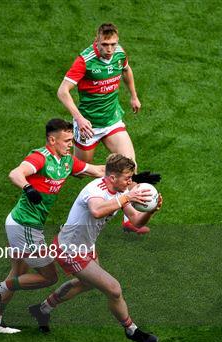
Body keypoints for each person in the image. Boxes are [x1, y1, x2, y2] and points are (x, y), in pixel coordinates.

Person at [0, 118, 105, 334]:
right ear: (52, 139)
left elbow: (97, 170)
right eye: (67, 140)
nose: (71, 144)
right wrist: (29, 188)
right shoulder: (40, 157)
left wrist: (133, 178)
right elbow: (15, 173)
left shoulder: (67, 161)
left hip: (22, 224)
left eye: (72, 139)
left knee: (18, 272)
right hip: (25, 226)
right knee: (49, 276)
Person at [28, 154, 162, 342]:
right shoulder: (95, 190)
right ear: (113, 177)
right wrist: (126, 197)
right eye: (127, 178)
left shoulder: (120, 191)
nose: (131, 181)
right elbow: (97, 210)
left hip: (86, 246)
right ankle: (131, 330)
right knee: (114, 289)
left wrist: (150, 211)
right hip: (69, 250)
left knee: (87, 284)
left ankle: (43, 309)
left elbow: (135, 221)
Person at [57, 23, 160, 234]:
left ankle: (128, 219)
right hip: (88, 125)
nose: (110, 49)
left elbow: (126, 70)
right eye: (105, 45)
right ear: (97, 41)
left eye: (113, 44)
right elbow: (62, 91)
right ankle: (107, 178)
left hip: (112, 120)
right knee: (78, 169)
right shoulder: (84, 61)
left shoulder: (120, 54)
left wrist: (133, 95)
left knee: (130, 166)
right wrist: (79, 118)